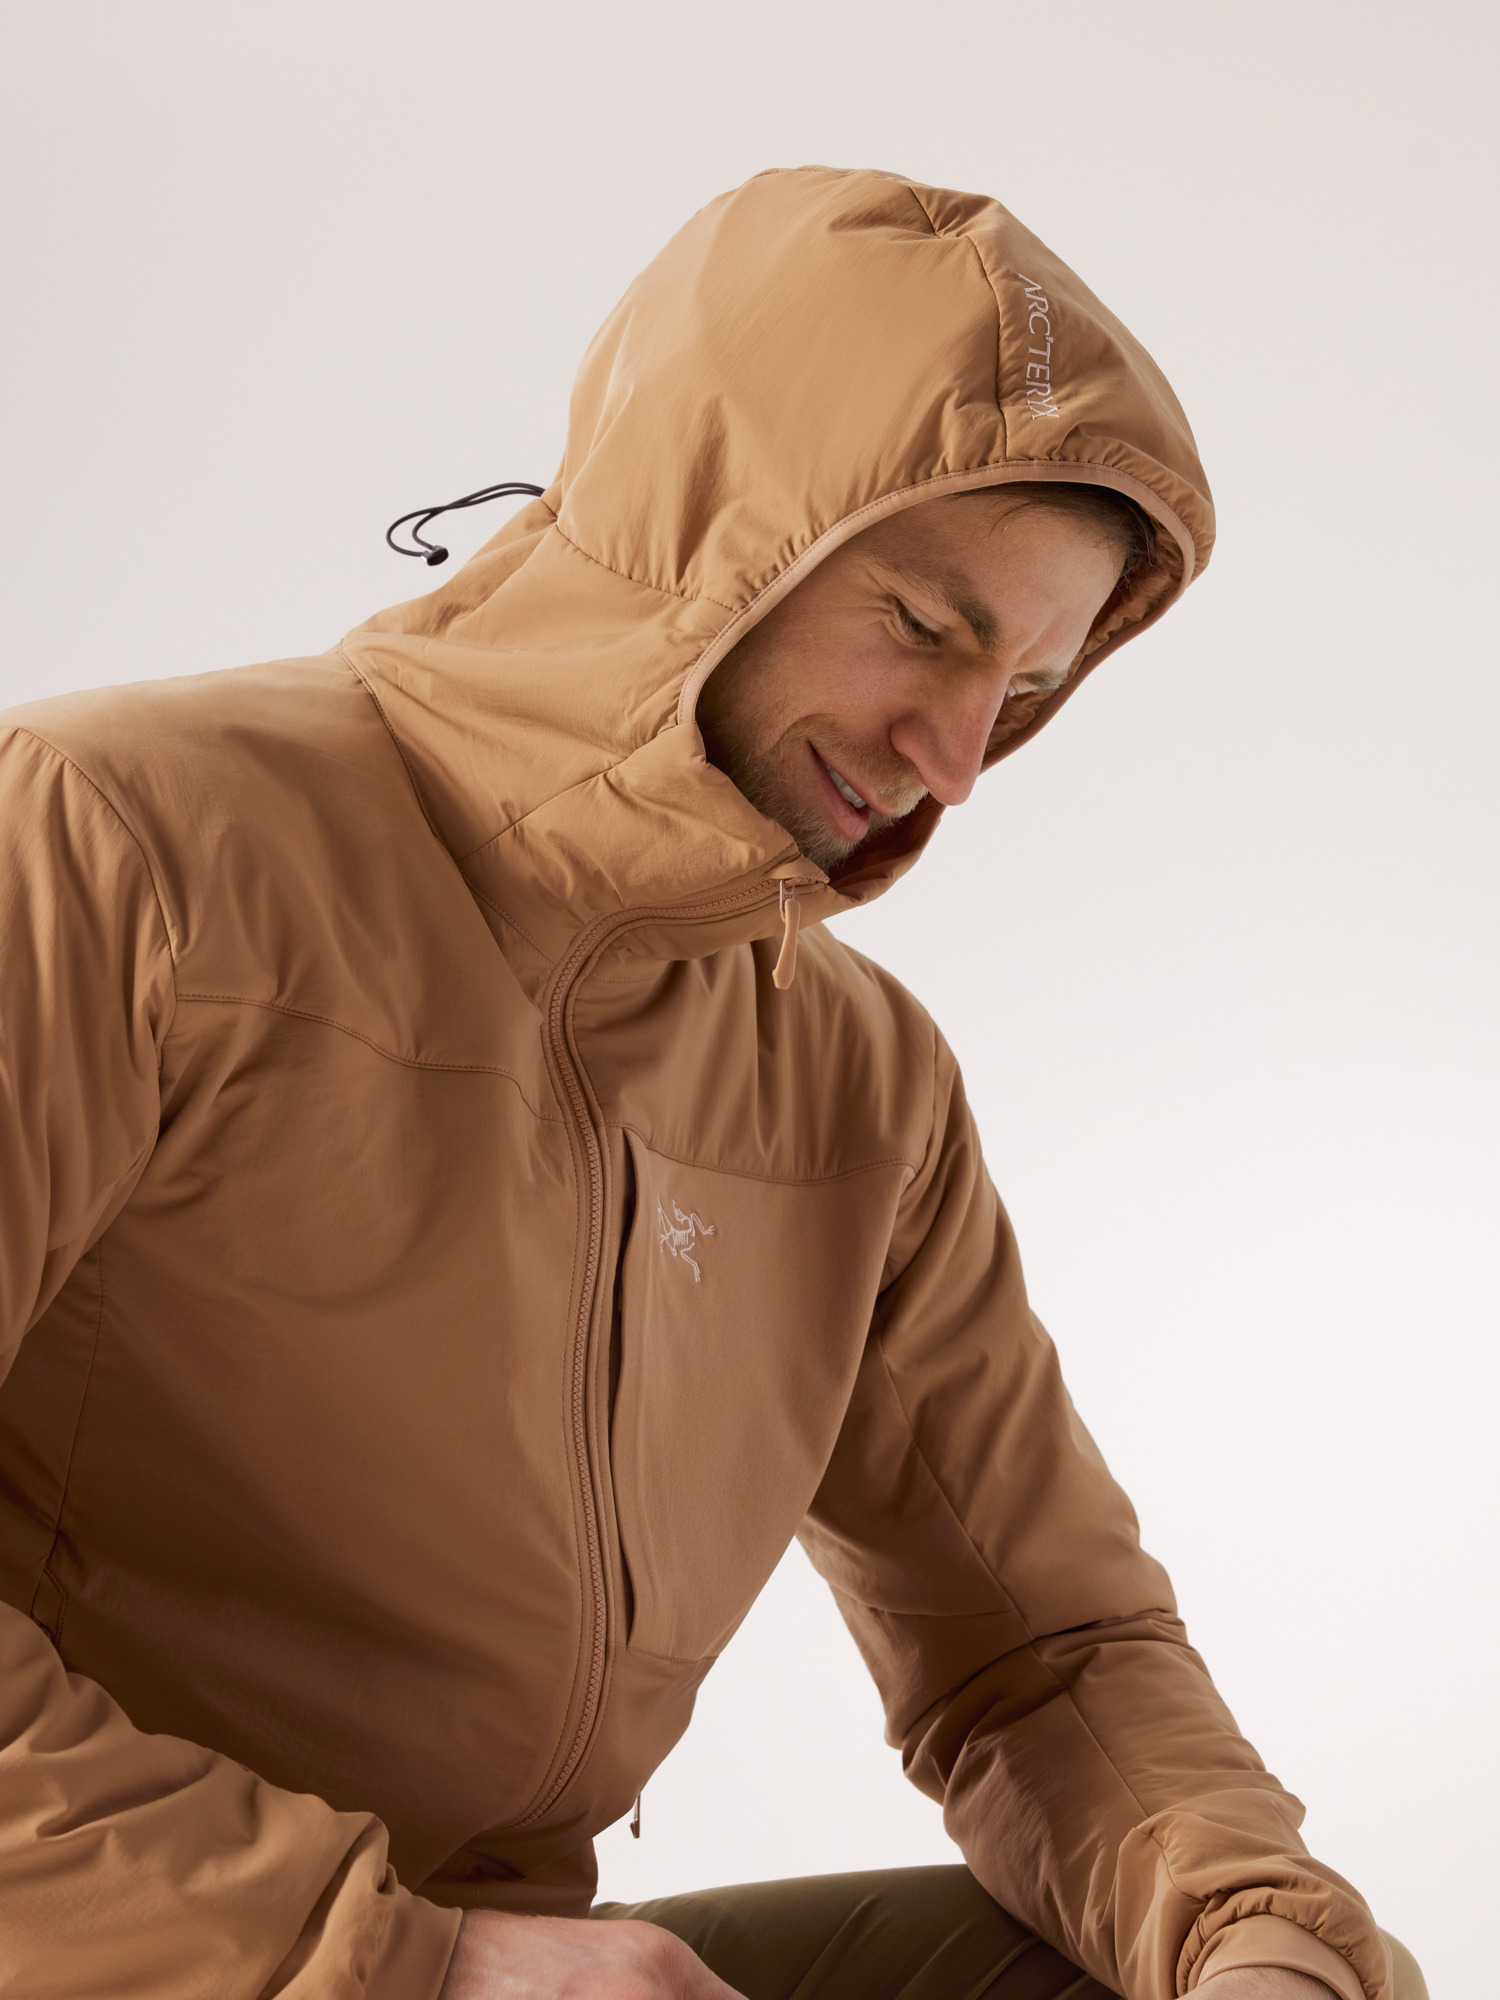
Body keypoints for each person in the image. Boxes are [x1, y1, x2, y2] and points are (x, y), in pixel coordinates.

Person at [0, 167, 1418, 2000]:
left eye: (1025, 685)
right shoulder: (110, 843)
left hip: (500, 1954)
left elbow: (1044, 1658)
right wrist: (412, 1967)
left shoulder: (850, 1082)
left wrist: (1258, 1949)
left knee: (1216, 1963)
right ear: (700, 538)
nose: (957, 760)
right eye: (925, 627)